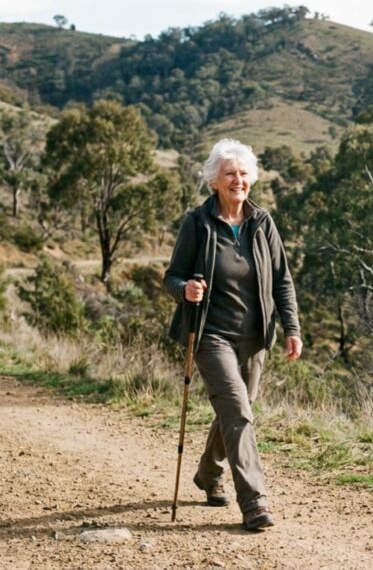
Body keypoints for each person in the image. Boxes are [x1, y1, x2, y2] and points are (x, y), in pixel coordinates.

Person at [164, 138, 302, 531]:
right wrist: (185, 290)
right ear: (214, 181)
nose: (237, 180)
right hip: (211, 336)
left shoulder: (263, 223)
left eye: (243, 174)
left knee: (237, 411)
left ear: (251, 180)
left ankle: (208, 475)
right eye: (229, 174)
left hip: (254, 338)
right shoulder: (198, 223)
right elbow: (171, 276)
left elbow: (282, 281)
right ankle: (254, 502)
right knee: (238, 412)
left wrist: (291, 327)